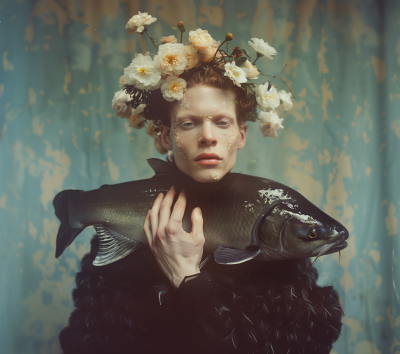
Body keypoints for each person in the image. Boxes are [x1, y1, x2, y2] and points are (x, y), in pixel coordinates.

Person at [58, 18, 343, 353]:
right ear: (166, 136)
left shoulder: (280, 248)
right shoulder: (119, 249)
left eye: (222, 122)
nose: (207, 137)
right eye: (189, 123)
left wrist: (187, 278)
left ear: (240, 135)